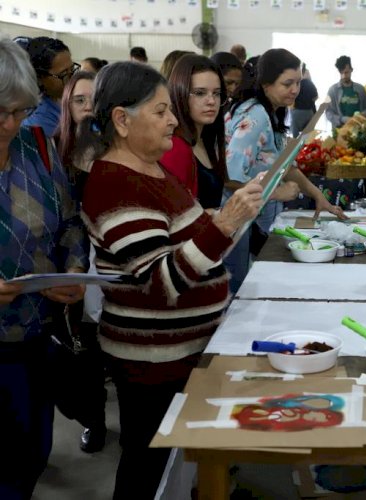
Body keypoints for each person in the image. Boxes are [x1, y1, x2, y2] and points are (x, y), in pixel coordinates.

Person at [76, 61, 264, 500]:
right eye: (160, 112)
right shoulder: (114, 184)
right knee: (149, 467)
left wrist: (226, 219)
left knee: (175, 462)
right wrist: (225, 223)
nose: (173, 120)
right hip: (153, 361)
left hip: (183, 352)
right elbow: (159, 282)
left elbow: (187, 237)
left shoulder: (153, 171)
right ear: (122, 120)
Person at [0, 38, 88, 498]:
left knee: (31, 453)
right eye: (0, 112)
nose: (10, 124)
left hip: (38, 334)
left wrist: (73, 267)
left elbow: (69, 220)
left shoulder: (37, 145)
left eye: (18, 110)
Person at [225, 48, 345, 293]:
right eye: (287, 83)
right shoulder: (256, 115)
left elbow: (284, 163)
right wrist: (277, 193)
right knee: (236, 288)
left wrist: (318, 196)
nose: (295, 90)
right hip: (233, 218)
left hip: (249, 215)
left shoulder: (274, 111)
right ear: (266, 84)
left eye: (298, 83)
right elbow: (230, 177)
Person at [55, 70, 110, 454]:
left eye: (94, 100)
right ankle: (93, 419)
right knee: (80, 351)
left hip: (109, 261)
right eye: (79, 100)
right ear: (67, 106)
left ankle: (104, 417)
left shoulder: (115, 149)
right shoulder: (53, 150)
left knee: (108, 345)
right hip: (68, 262)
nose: (87, 107)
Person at [161, 54, 228, 210]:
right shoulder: (175, 146)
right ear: (180, 94)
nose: (211, 101)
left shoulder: (206, 140)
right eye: (199, 93)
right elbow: (176, 215)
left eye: (217, 93)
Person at [23, 36, 79, 136]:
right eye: (63, 74)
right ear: (39, 78)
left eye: (72, 69)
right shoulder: (40, 123)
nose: (72, 78)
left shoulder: (63, 99)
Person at [325, 55, 366, 128]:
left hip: (358, 129)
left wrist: (362, 115)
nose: (344, 76)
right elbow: (328, 113)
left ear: (351, 70)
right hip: (339, 130)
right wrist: (342, 119)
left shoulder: (361, 89)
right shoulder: (332, 90)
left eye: (346, 72)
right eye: (341, 73)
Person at [291, 63, 319, 136]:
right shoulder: (310, 83)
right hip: (309, 111)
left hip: (297, 111)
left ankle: (296, 146)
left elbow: (292, 96)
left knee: (295, 135)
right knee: (308, 135)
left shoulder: (296, 83)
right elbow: (316, 97)